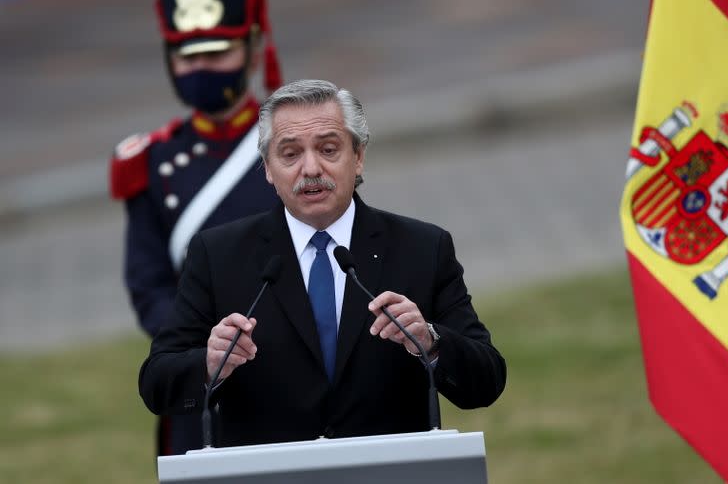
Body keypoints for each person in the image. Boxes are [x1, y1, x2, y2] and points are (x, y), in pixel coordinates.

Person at [139, 79, 506, 447]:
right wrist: (208, 362)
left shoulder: (422, 247)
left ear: (358, 157)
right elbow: (157, 383)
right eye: (290, 154)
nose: (310, 168)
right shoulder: (217, 254)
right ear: (268, 168)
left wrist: (431, 340)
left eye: (328, 149)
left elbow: (486, 380)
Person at [108, 0, 283, 455]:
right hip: (202, 377)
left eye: (216, 52)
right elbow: (149, 284)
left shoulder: (294, 144)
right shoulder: (153, 160)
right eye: (187, 57)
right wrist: (206, 348)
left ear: (252, 51)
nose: (201, 68)